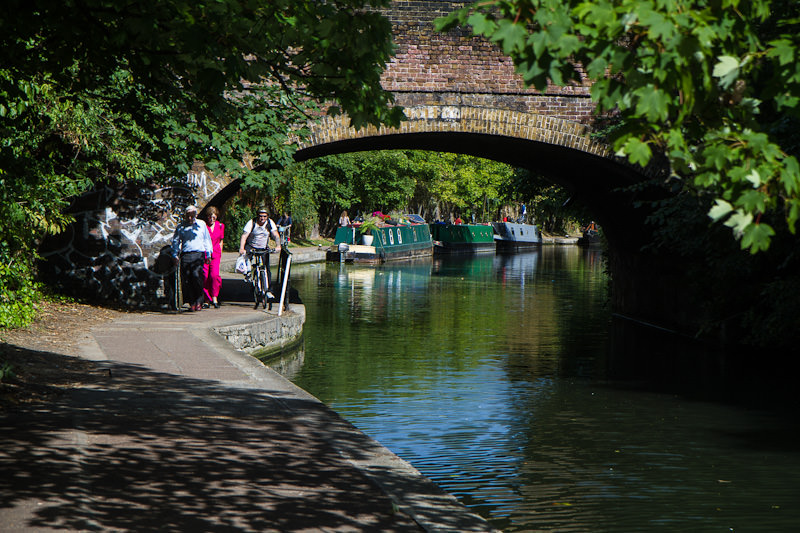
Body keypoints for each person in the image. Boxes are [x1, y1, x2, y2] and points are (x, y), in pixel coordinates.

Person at [171, 205, 212, 312]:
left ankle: (199, 300)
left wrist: (208, 253)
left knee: (196, 275)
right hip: (185, 254)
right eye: (188, 216)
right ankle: (192, 302)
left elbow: (206, 239)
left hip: (198, 253)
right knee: (187, 279)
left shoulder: (201, 225)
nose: (190, 218)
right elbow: (176, 241)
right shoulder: (181, 227)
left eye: (192, 216)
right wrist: (175, 255)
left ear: (195, 215)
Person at [239, 207, 281, 299]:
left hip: (263, 248)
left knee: (267, 268)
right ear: (257, 216)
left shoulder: (270, 223)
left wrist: (278, 246)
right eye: (260, 216)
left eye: (264, 216)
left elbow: (275, 235)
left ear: (267, 217)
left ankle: (269, 290)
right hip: (251, 247)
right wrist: (242, 248)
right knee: (248, 265)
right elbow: (244, 236)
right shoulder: (251, 223)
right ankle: (250, 275)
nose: (262, 218)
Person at [202, 206, 225, 309]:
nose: (211, 219)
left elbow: (220, 240)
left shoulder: (220, 226)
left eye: (213, 217)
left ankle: (215, 297)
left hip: (215, 254)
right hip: (205, 254)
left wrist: (220, 252)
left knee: (214, 276)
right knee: (205, 276)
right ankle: (207, 299)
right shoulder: (204, 227)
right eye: (209, 217)